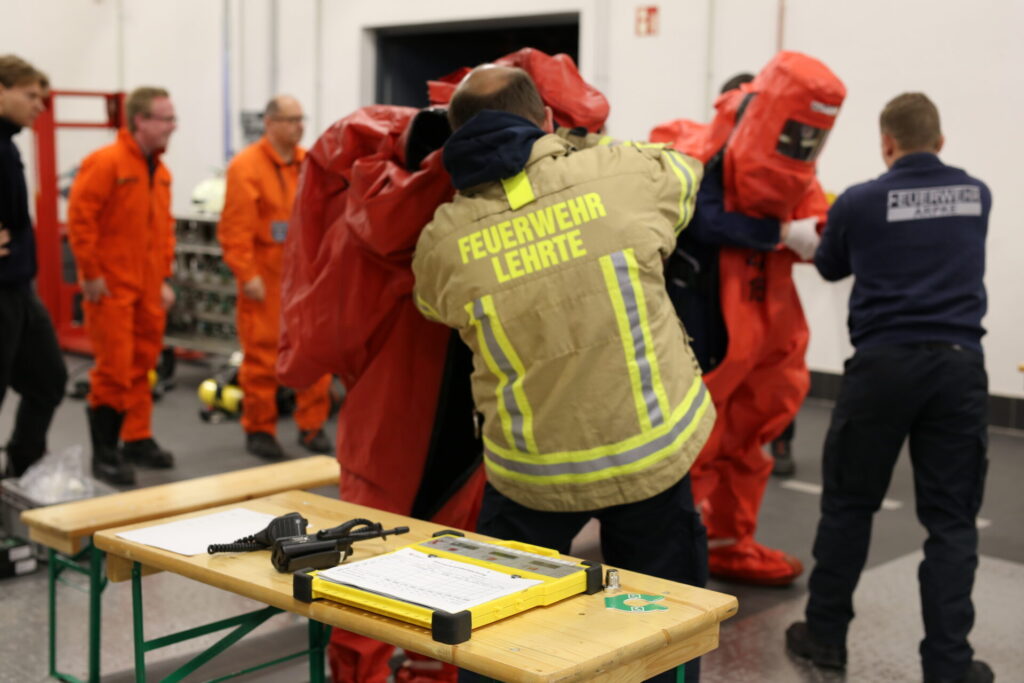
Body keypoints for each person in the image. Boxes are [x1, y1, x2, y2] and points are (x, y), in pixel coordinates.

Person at [278, 48, 612, 683]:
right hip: (419, 409)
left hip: (461, 412)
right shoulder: (405, 182)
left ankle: (413, 670)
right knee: (378, 566)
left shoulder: (426, 181)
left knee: (439, 567)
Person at [412, 65, 714, 683]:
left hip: (532, 474)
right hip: (648, 455)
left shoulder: (442, 240)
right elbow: (688, 174)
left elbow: (430, 304)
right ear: (547, 121)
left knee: (501, 643)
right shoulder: (623, 174)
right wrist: (586, 144)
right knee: (660, 639)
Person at [786, 93, 993, 683]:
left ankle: (824, 639)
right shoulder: (977, 195)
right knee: (952, 522)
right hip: (959, 370)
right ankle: (949, 665)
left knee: (849, 507)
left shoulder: (858, 201)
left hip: (881, 370)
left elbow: (829, 265)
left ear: (886, 143)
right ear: (941, 141)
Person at [651, 51, 844, 585]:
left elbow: (815, 223)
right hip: (708, 325)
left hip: (762, 327)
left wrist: (815, 234)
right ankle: (673, 547)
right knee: (698, 441)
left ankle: (729, 541)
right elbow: (705, 219)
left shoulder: (787, 170)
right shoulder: (695, 154)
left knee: (750, 438)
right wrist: (781, 235)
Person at [68, 86, 177, 485]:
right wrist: (91, 274)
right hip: (110, 288)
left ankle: (136, 438)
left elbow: (163, 231)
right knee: (114, 370)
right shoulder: (106, 163)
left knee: (143, 365)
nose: (172, 126)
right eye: (165, 118)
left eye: (172, 118)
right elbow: (81, 222)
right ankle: (105, 452)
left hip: (147, 288)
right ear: (140, 121)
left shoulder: (160, 172)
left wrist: (163, 278)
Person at [217, 95, 331, 460]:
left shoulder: (308, 164)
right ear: (270, 123)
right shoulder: (246, 166)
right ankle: (260, 428)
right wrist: (247, 274)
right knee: (262, 357)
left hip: (304, 279)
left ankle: (312, 425)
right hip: (264, 278)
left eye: (302, 119)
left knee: (313, 352)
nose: (299, 126)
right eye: (291, 119)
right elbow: (234, 229)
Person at [0, 55, 67, 479]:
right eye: (30, 95)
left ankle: (20, 476)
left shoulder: (7, 145)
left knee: (48, 380)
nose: (39, 105)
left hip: (20, 290)